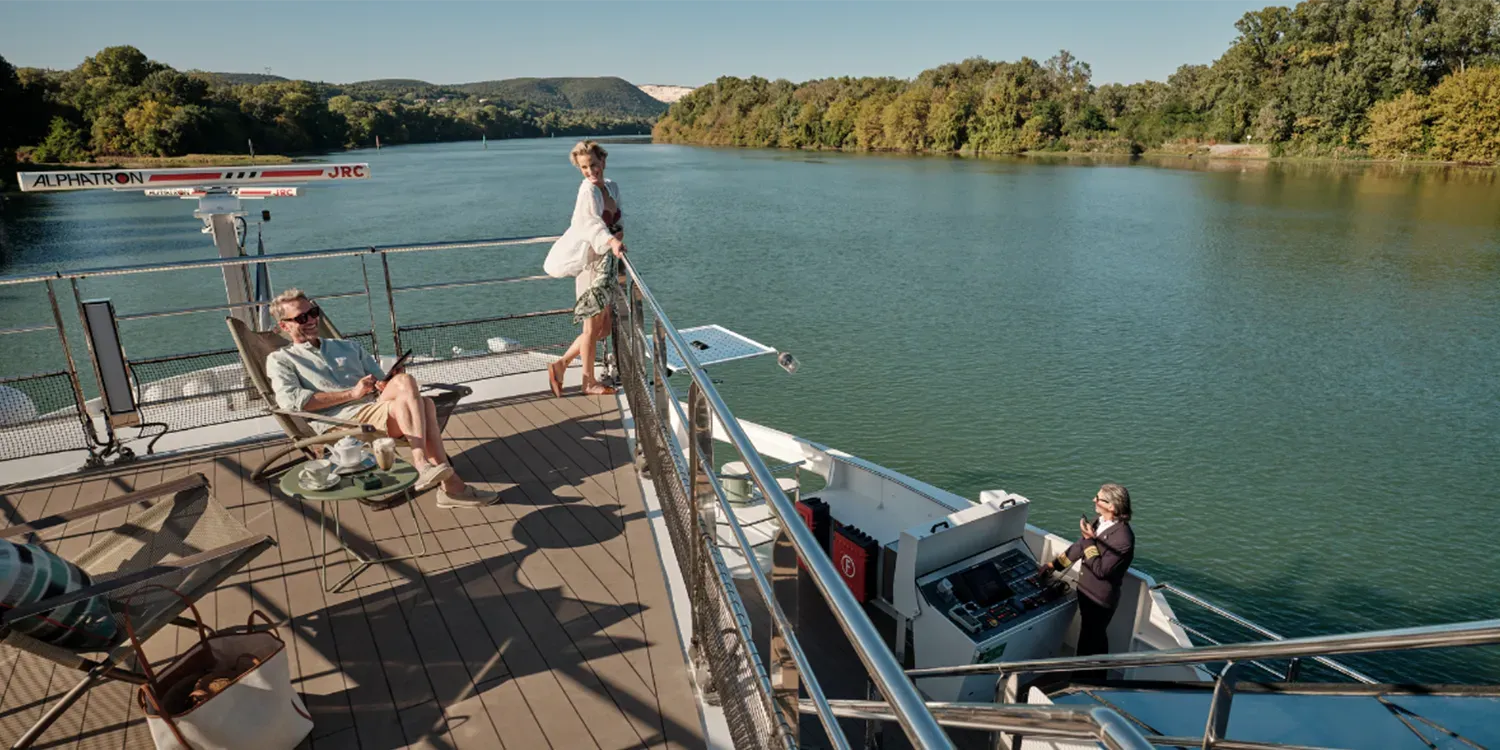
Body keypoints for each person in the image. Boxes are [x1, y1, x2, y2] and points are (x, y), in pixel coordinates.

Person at [264, 288, 498, 509]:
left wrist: (383, 381)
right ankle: (440, 479)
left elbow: (379, 380)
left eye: (313, 313)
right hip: (343, 422)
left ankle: (437, 476)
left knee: (407, 385)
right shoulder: (281, 359)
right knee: (423, 403)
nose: (312, 320)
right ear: (284, 325)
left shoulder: (347, 347)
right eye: (302, 318)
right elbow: (293, 403)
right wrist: (352, 393)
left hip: (373, 407)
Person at [547, 140, 627, 398]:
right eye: (584, 167)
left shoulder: (611, 186)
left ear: (603, 161)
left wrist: (618, 240)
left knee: (603, 328)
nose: (590, 171)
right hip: (592, 265)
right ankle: (587, 382)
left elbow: (617, 218)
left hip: (607, 263)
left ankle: (561, 363)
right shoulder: (587, 192)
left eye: (593, 164)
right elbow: (590, 225)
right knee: (592, 328)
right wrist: (612, 240)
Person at [1040, 483, 1135, 680]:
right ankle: (1086, 677)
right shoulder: (1099, 522)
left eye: (1099, 498)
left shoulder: (1123, 539)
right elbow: (1079, 547)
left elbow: (1101, 570)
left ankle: (1088, 681)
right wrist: (1052, 566)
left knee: (1092, 642)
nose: (1094, 500)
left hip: (1099, 600)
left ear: (1112, 506)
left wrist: (1090, 541)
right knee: (1089, 639)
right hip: (1086, 593)